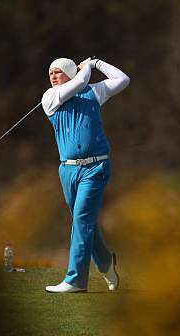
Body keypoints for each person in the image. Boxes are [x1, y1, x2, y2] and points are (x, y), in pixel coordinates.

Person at [42, 56, 130, 293]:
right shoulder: (50, 97)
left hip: (95, 167)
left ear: (70, 72)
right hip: (67, 170)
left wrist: (97, 63)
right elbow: (79, 82)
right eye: (50, 72)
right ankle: (106, 262)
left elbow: (123, 79)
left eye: (58, 71)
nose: (52, 76)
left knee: (82, 219)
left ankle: (75, 280)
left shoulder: (93, 92)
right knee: (85, 221)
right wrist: (86, 69)